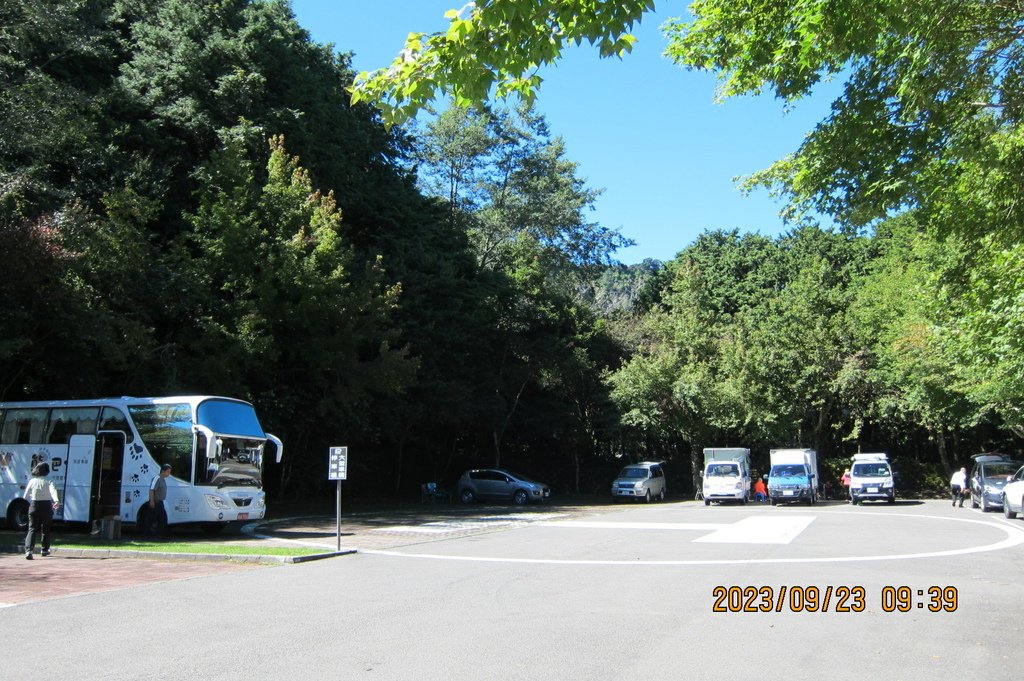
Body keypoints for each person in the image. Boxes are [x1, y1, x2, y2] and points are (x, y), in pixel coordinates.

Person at [24, 462, 61, 559]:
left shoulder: (32, 481)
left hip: (34, 505)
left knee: (31, 529)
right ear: (47, 471)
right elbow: (53, 491)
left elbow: (25, 496)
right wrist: (56, 501)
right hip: (46, 505)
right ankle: (44, 549)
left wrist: (32, 498)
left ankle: (29, 551)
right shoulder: (49, 481)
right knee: (45, 529)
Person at [148, 463, 172, 535]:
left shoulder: (163, 479)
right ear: (163, 471)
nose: (169, 474)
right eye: (168, 472)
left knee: (161, 519)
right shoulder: (156, 478)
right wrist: (152, 501)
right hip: (156, 501)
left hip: (161, 502)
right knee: (152, 519)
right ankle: (146, 534)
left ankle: (159, 535)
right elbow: (151, 490)